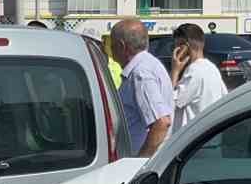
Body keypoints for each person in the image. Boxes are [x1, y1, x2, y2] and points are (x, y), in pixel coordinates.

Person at [108, 18, 172, 157]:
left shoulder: (140, 74)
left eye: (112, 46)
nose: (111, 52)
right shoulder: (149, 65)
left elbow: (161, 123)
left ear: (122, 46)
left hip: (141, 166)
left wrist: (137, 165)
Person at [170, 22, 227, 134]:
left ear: (184, 46)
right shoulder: (212, 68)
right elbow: (224, 96)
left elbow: (170, 102)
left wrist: (175, 71)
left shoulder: (194, 71)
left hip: (193, 138)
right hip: (210, 134)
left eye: (176, 46)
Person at [79, 24, 123, 90]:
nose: (88, 46)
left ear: (101, 44)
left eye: (94, 43)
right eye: (85, 42)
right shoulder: (79, 64)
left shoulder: (117, 66)